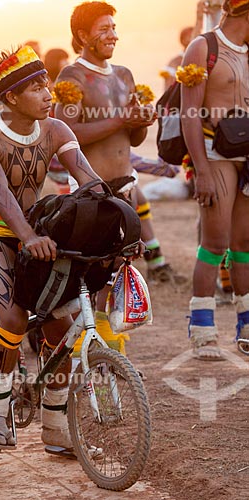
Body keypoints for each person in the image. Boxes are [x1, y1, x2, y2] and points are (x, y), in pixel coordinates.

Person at [0, 43, 113, 456]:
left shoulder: (56, 130)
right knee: (13, 317)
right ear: (11, 97)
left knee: (60, 331)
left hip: (37, 233)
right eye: (35, 88)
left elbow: (86, 176)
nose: (49, 94)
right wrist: (27, 237)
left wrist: (118, 222)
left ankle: (54, 428)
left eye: (47, 84)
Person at [54, 1, 183, 357]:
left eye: (113, 27)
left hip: (125, 189)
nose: (112, 35)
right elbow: (67, 134)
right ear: (83, 35)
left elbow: (132, 139)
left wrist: (140, 123)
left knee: (115, 274)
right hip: (89, 192)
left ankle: (110, 354)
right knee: (91, 276)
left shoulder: (124, 75)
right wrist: (119, 120)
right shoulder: (71, 77)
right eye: (103, 29)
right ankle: (87, 353)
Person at [181, 0, 249, 360]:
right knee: (216, 241)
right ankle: (202, 330)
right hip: (215, 153)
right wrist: (202, 169)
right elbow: (189, 113)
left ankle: (247, 325)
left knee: (244, 243)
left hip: (247, 158)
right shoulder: (204, 47)